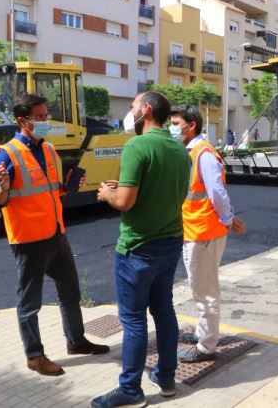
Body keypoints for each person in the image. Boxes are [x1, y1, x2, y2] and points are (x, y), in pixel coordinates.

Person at [0, 93, 109, 377]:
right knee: (30, 303)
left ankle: (76, 341)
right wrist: (3, 189)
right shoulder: (7, 153)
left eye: (46, 115)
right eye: (39, 117)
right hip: (29, 240)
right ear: (23, 120)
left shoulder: (49, 150)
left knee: (70, 292)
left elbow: (51, 192)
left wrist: (68, 186)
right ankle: (34, 356)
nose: (45, 121)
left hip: (56, 234)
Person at [93, 91, 191, 407]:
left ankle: (130, 390)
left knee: (134, 320)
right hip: (171, 241)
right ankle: (166, 376)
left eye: (133, 107)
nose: (129, 112)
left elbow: (124, 201)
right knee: (164, 310)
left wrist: (106, 194)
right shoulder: (180, 148)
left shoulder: (137, 145)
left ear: (146, 110)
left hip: (138, 247)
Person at [169, 104, 247, 363]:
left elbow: (216, 193)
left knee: (205, 290)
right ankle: (204, 332)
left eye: (176, 123)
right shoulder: (190, 152)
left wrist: (228, 219)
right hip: (196, 230)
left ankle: (206, 346)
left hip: (204, 233)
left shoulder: (203, 154)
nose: (172, 128)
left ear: (191, 126)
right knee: (200, 287)